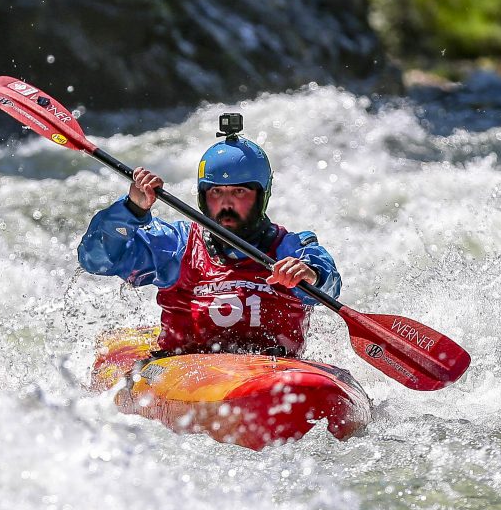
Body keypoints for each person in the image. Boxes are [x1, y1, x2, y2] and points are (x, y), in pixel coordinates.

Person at [77, 116, 341, 357]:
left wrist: (310, 274)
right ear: (203, 198)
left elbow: (328, 282)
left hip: (275, 375)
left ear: (262, 196)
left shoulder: (291, 249)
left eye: (239, 193)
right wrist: (131, 209)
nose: (226, 204)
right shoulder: (178, 246)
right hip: (186, 373)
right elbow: (96, 259)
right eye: (216, 193)